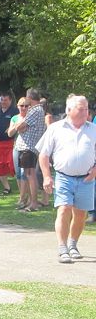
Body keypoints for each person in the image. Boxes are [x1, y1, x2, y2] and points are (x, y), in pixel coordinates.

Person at [37, 94, 96, 263]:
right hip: (63, 177)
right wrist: (47, 177)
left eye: (86, 109)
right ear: (69, 110)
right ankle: (62, 247)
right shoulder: (56, 128)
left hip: (86, 179)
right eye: (81, 109)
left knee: (80, 214)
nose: (85, 112)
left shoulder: (93, 129)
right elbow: (43, 155)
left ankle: (73, 244)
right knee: (64, 209)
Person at [8, 89, 46, 211]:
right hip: (26, 147)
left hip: (28, 147)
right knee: (27, 174)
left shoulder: (35, 110)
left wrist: (18, 126)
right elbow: (21, 127)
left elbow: (20, 126)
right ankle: (30, 202)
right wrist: (20, 126)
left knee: (30, 174)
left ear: (29, 98)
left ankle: (34, 203)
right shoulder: (37, 110)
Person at [7, 98, 31, 208]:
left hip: (27, 148)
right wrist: (17, 126)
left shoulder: (30, 117)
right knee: (18, 173)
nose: (24, 108)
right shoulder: (15, 118)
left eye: (26, 106)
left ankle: (23, 198)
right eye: (22, 106)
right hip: (16, 147)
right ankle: (23, 196)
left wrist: (18, 127)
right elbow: (10, 133)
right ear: (18, 106)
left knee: (24, 173)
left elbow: (24, 129)